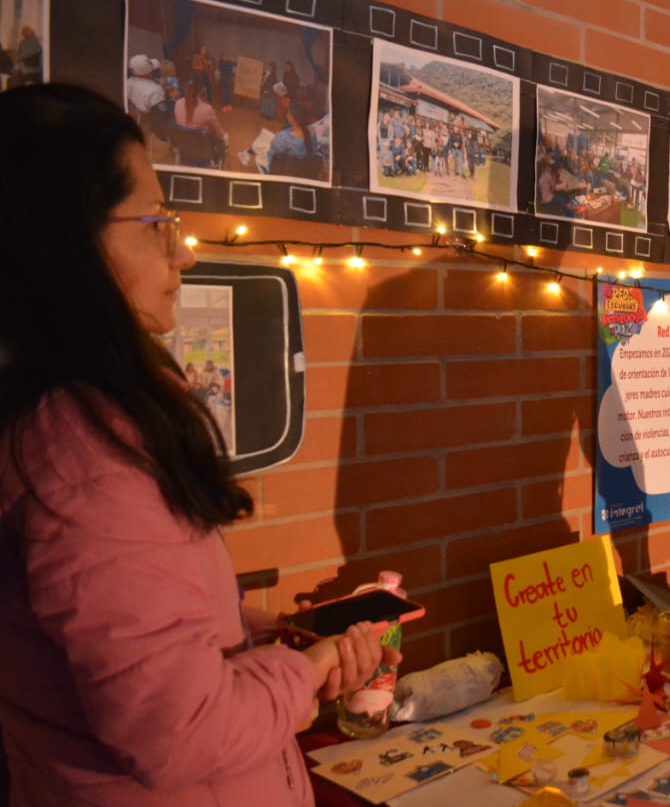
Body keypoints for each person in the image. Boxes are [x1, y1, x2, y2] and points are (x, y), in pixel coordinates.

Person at [0, 83, 399, 805]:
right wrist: (305, 671)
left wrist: (265, 634)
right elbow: (178, 730)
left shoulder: (68, 424)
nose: (181, 252)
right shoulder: (84, 449)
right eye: (155, 222)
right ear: (66, 242)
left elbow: (127, 626)